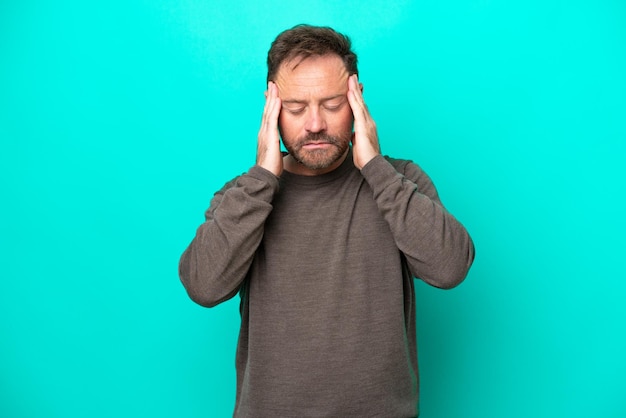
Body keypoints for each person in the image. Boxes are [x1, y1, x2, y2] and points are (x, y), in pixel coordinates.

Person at [179, 24, 475, 418]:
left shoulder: (400, 181)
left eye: (333, 104)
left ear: (357, 100)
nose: (315, 124)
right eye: (296, 108)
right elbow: (203, 286)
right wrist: (262, 179)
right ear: (271, 105)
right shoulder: (244, 195)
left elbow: (450, 268)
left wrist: (375, 167)